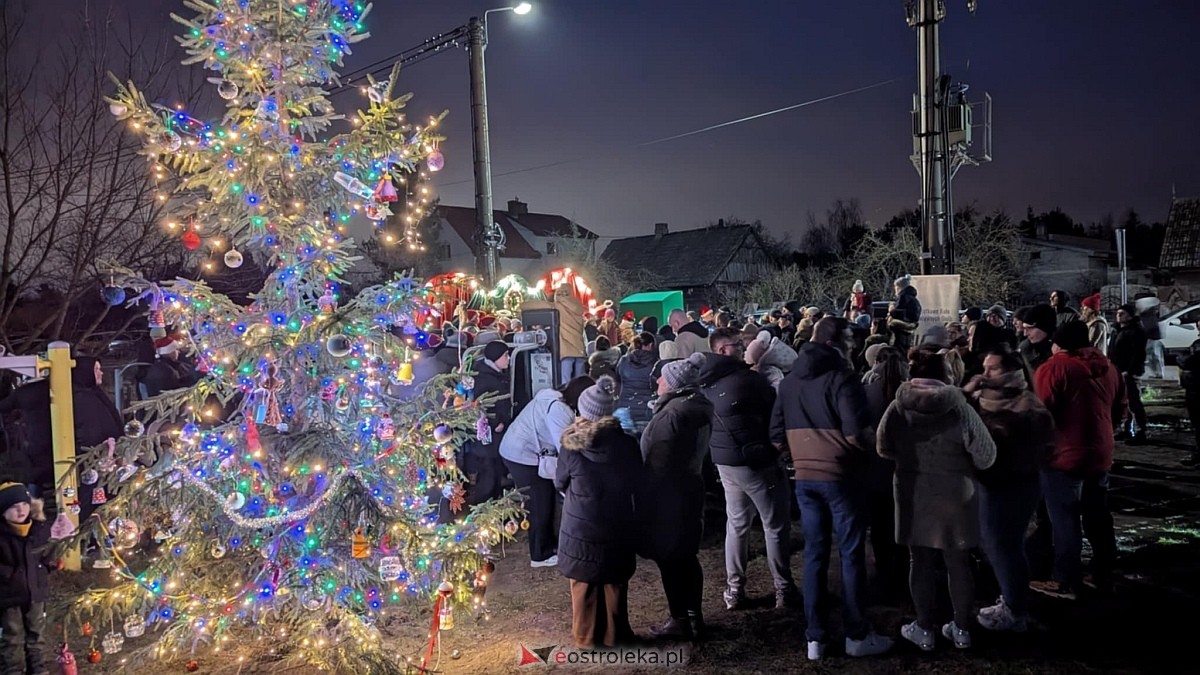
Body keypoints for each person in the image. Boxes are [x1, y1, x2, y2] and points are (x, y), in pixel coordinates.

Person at [770, 317, 893, 661]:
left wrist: (802, 452)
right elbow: (855, 433)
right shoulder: (843, 377)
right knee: (851, 554)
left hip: (805, 479)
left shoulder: (790, 381)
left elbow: (776, 436)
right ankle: (856, 633)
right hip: (842, 477)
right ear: (837, 341)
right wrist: (873, 452)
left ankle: (815, 638)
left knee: (814, 554)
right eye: (851, 339)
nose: (854, 346)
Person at [878, 349, 996, 651]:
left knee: (919, 561)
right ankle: (961, 629)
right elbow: (986, 456)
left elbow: (883, 447)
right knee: (958, 562)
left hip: (912, 489)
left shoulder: (897, 407)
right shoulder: (960, 408)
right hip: (957, 492)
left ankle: (924, 628)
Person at [699, 328, 798, 611]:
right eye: (737, 345)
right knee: (774, 525)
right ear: (722, 350)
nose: (743, 348)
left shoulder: (706, 379)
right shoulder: (748, 381)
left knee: (737, 523)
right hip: (756, 462)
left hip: (725, 461)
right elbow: (774, 410)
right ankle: (783, 588)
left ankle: (734, 590)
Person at [964, 346, 1055, 632]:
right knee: (994, 543)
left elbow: (1032, 446)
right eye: (985, 367)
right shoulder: (984, 399)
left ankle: (1015, 610)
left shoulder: (1027, 406)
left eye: (993, 369)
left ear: (1011, 373)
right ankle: (1012, 599)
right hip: (990, 482)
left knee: (1005, 546)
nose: (985, 374)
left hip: (1013, 483)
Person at [1032, 321, 1124, 599]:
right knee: (1098, 516)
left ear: (1059, 343)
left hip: (1063, 454)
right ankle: (1103, 574)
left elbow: (1041, 412)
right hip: (1100, 452)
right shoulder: (1108, 366)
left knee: (1065, 520)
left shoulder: (1054, 368)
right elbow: (1121, 408)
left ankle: (1065, 580)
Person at [556, 376, 642, 649]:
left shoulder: (572, 446)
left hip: (581, 522)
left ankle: (586, 637)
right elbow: (636, 480)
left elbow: (560, 481)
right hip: (617, 519)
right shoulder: (627, 444)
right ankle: (615, 635)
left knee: (583, 582)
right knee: (614, 580)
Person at [638, 353, 712, 641]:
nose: (657, 380)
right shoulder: (695, 406)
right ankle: (693, 617)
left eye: (663, 377)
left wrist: (646, 492)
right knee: (686, 557)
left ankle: (680, 619)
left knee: (671, 557)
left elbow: (661, 461)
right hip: (688, 489)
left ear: (674, 384)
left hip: (670, 496)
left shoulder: (673, 414)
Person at [500, 376, 594, 568]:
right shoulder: (559, 410)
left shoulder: (553, 398)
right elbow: (565, 446)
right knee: (539, 503)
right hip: (521, 455)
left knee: (545, 498)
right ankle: (539, 555)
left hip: (516, 449)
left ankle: (549, 545)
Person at [861, 346, 909, 597]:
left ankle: (883, 576)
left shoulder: (866, 392)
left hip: (876, 470)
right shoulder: (912, 393)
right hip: (907, 469)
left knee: (880, 527)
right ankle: (904, 576)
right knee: (903, 525)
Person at [0, 482, 59, 675]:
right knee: (13, 637)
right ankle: (14, 670)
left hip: (35, 591)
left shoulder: (38, 530)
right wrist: (8, 575)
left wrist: (50, 563)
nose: (20, 510)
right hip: (9, 596)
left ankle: (38, 669)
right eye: (14, 507)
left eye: (24, 505)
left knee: (36, 634)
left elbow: (42, 555)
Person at [70, 357, 125, 526]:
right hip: (95, 463)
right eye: (96, 369)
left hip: (106, 459)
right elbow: (90, 430)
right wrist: (103, 454)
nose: (101, 372)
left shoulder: (94, 394)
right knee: (93, 501)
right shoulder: (82, 398)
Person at [463, 341, 513, 506]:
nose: (509, 358)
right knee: (489, 475)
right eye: (505, 355)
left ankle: (492, 509)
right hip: (489, 437)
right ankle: (483, 510)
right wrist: (495, 422)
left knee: (494, 473)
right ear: (496, 357)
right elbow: (480, 405)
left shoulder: (493, 374)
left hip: (493, 436)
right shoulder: (485, 379)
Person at [1109, 303, 1148, 444]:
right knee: (1121, 402)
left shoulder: (1135, 332)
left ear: (1130, 316)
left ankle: (1140, 431)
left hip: (1129, 373)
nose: (1118, 316)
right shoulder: (1118, 330)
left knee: (1133, 402)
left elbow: (1137, 354)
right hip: (1117, 371)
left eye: (1122, 313)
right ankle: (1126, 429)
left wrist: (1130, 371)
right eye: (1118, 313)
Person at [615, 333, 658, 435]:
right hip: (647, 410)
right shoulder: (655, 363)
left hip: (625, 410)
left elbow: (618, 381)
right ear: (651, 345)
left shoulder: (624, 361)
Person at [889, 275, 922, 353]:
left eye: (896, 287)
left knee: (898, 350)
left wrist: (891, 310)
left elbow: (898, 313)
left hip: (901, 328)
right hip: (909, 329)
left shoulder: (903, 297)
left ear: (899, 287)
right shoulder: (913, 299)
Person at [1181, 340, 1200, 466]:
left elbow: (1188, 361)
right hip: (1193, 389)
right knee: (1197, 424)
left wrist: (1185, 360)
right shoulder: (1197, 343)